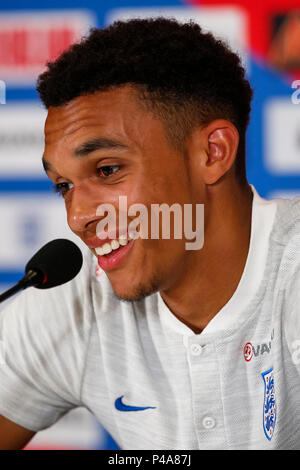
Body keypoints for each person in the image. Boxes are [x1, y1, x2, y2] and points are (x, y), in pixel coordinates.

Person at [0, 17, 299, 450]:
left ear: (212, 153)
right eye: (64, 186)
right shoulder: (80, 299)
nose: (78, 217)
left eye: (107, 170)